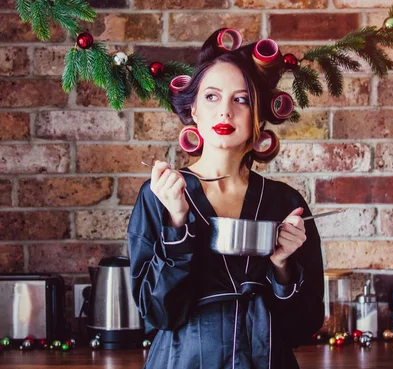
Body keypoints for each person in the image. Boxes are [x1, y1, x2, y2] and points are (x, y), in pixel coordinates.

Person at [127, 28, 325, 369]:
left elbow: (302, 327)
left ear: (259, 116)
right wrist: (176, 224)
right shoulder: (160, 195)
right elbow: (157, 313)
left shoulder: (284, 203)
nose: (226, 112)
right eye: (212, 97)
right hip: (182, 360)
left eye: (241, 99)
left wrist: (282, 267)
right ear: (194, 111)